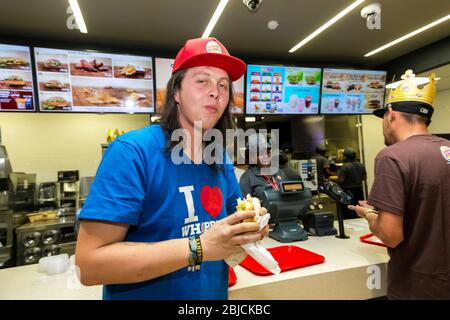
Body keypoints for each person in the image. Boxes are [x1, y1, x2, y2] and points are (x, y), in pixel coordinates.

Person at [75, 37, 269, 300]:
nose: (216, 92)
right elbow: (89, 266)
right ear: (176, 92)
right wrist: (199, 247)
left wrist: (249, 228)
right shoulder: (133, 152)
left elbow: (228, 231)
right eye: (203, 81)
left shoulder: (219, 156)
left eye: (223, 85)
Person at [348, 69, 450, 299]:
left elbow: (391, 235)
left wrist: (370, 215)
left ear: (391, 115)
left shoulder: (392, 156)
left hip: (419, 287)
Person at [239, 133, 284, 200]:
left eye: (268, 152)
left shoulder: (279, 172)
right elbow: (245, 205)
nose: (266, 156)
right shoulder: (247, 178)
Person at [337, 147, 367, 219]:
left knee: (348, 213)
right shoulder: (361, 165)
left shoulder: (345, 167)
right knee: (358, 213)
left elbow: (341, 180)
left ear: (345, 156)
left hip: (348, 192)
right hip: (359, 191)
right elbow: (364, 178)